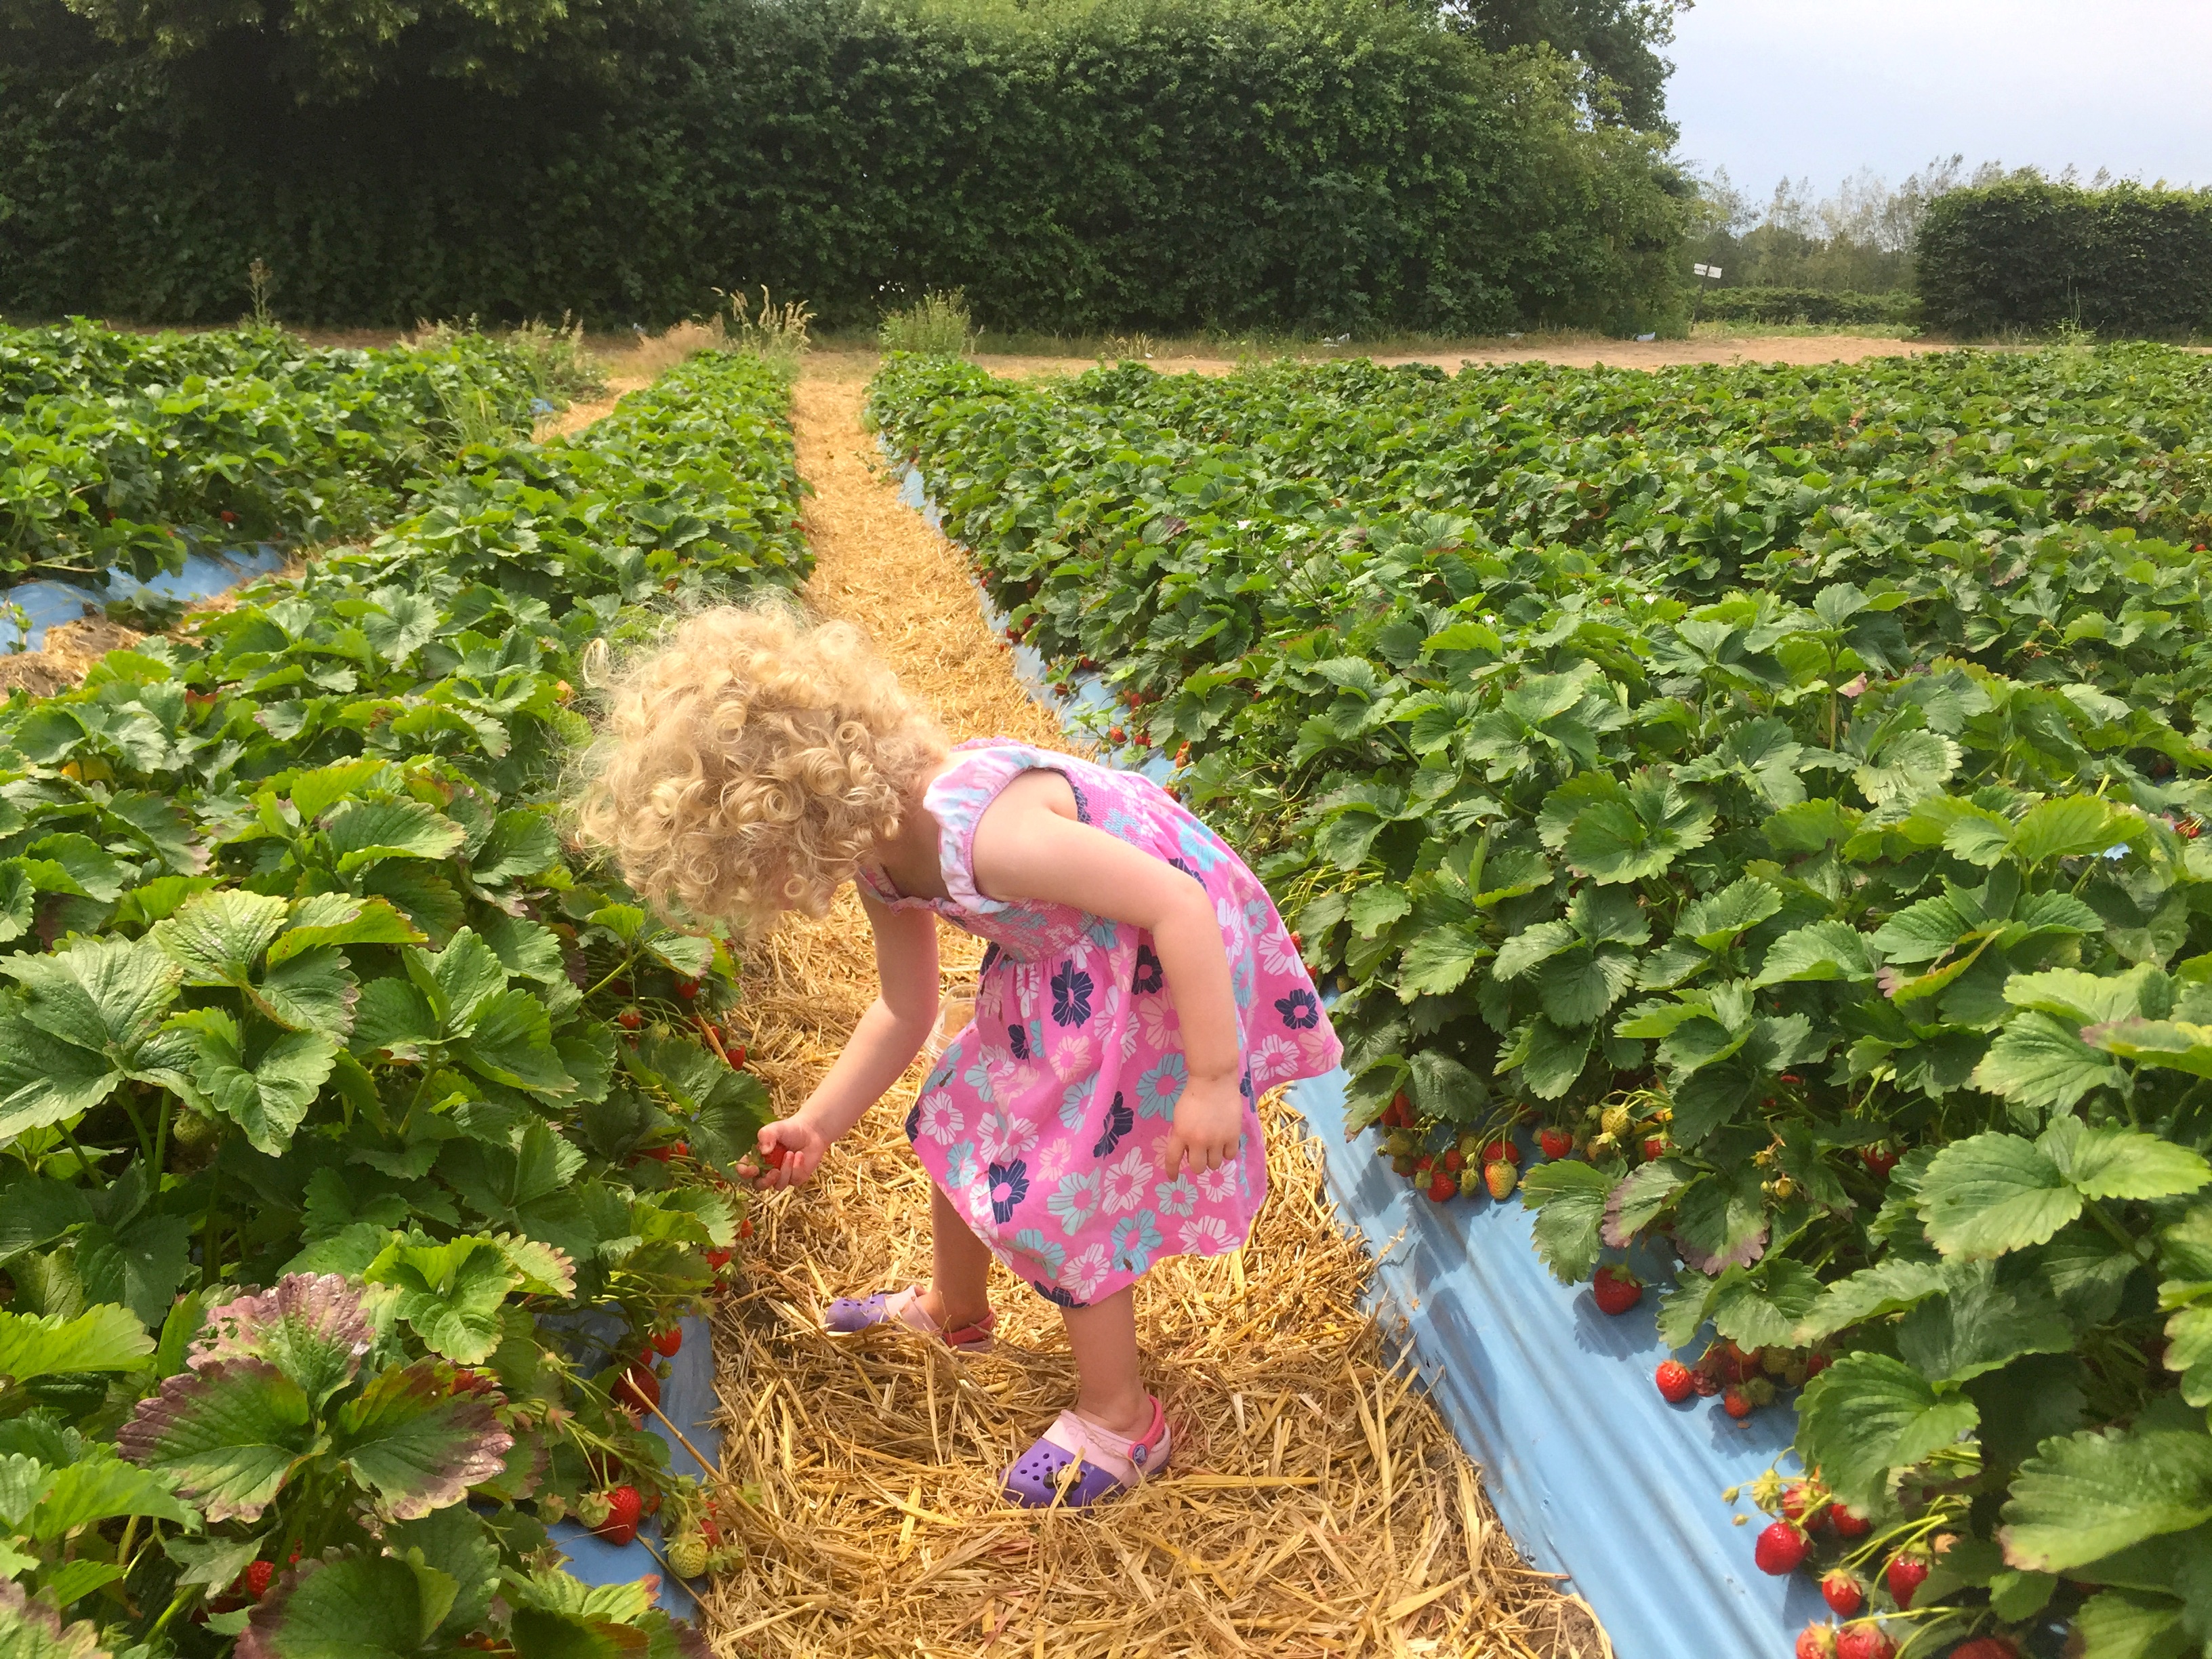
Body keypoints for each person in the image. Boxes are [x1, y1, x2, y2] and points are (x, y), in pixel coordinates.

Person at [575, 605, 1340, 1507]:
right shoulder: (879, 854)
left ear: (801, 818)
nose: (773, 897)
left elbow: (1179, 908)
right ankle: (956, 1312)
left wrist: (1213, 1081)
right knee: (956, 1118)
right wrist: (819, 1121)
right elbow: (904, 1009)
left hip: (1156, 975)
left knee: (1060, 1197)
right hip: (1056, 971)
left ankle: (1124, 1417)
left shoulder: (992, 835)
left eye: (761, 871)